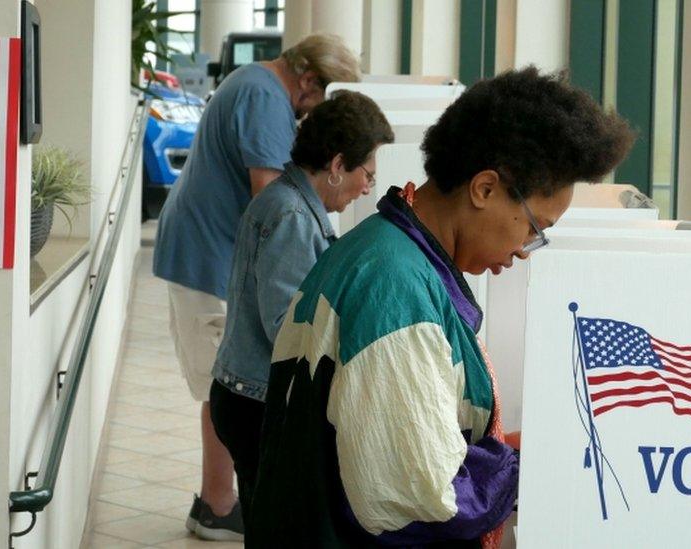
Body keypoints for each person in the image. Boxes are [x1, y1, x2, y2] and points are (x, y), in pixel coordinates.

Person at [248, 67, 635, 548]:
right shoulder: (396, 287)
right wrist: (525, 467)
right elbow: (428, 496)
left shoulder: (388, 250)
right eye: (535, 228)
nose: (524, 249)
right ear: (485, 189)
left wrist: (506, 451)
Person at [151, 34, 361, 541]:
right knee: (225, 383)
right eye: (324, 97)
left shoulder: (253, 82)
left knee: (221, 382)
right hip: (207, 256)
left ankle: (217, 501)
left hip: (204, 247)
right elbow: (274, 202)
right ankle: (217, 507)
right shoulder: (267, 99)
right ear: (309, 80)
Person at [208, 90, 395, 530]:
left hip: (247, 395)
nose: (369, 186)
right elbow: (287, 327)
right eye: (367, 173)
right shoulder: (291, 215)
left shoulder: (289, 202)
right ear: (336, 165)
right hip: (255, 401)